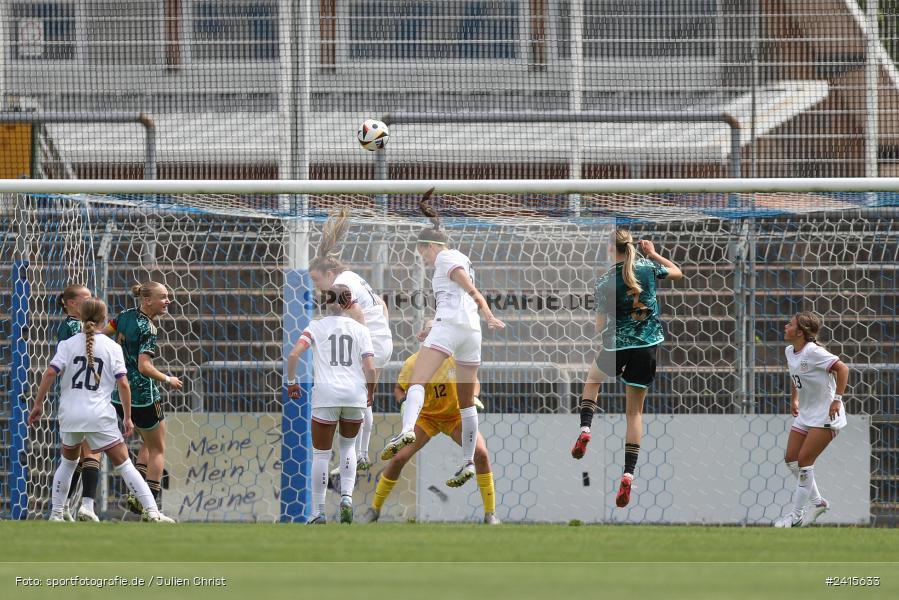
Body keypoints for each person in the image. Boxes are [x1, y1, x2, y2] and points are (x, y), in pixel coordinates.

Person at [380, 188, 505, 488]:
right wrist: (431, 325)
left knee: (418, 382)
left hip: (454, 327)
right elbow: (455, 297)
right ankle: (466, 463)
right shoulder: (458, 256)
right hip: (469, 332)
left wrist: (487, 311)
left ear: (428, 247)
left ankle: (407, 429)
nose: (422, 258)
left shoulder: (445, 258)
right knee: (466, 403)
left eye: (422, 252)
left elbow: (468, 289)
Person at [27, 298, 174, 523]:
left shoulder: (67, 344)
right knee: (125, 465)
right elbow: (123, 384)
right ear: (104, 319)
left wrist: (37, 405)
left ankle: (56, 514)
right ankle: (153, 511)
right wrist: (126, 417)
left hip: (70, 414)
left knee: (68, 463)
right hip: (99, 415)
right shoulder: (112, 347)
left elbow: (49, 374)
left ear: (82, 317)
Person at [571, 228, 683, 509]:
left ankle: (585, 428)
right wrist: (653, 252)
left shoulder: (605, 280)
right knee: (634, 413)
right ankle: (628, 474)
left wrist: (605, 328)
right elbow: (677, 272)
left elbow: (598, 327)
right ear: (632, 246)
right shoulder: (647, 267)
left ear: (612, 249)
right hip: (646, 347)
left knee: (593, 380)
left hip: (617, 345)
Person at [363, 320, 498, 525]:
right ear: (422, 336)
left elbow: (474, 382)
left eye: (440, 330)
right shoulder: (412, 363)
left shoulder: (455, 359)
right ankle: (374, 509)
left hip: (454, 416)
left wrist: (475, 397)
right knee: (399, 458)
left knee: (481, 453)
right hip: (426, 418)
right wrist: (404, 403)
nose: (437, 334)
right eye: (431, 330)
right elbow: (399, 389)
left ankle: (490, 514)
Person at [309, 208, 393, 472]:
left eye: (316, 280)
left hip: (373, 342)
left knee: (358, 396)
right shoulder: (353, 277)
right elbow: (381, 304)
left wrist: (364, 347)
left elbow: (357, 314)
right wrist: (381, 335)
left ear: (328, 273)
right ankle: (361, 454)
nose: (316, 287)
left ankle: (358, 454)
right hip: (382, 339)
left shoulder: (341, 286)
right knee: (363, 396)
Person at [286, 285, 378, 524]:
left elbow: (294, 355)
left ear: (325, 302)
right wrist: (370, 392)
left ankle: (318, 512)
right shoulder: (360, 329)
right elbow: (370, 367)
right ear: (349, 304)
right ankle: (346, 498)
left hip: (326, 395)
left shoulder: (315, 326)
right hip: (354, 395)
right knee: (348, 447)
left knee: (321, 455)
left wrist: (291, 383)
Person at [110, 282, 183, 515]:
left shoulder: (123, 316)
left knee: (146, 442)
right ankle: (149, 505)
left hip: (119, 393)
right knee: (158, 448)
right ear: (147, 300)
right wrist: (168, 379)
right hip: (143, 395)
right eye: (163, 297)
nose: (168, 301)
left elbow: (102, 336)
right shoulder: (149, 329)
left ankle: (136, 494)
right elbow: (144, 366)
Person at [775, 312, 849, 528]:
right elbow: (795, 375)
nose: (785, 326)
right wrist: (795, 399)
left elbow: (842, 368)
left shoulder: (815, 352)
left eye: (790, 324)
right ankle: (818, 502)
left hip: (826, 415)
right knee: (791, 459)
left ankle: (795, 517)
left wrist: (837, 400)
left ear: (800, 332)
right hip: (806, 414)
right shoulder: (790, 351)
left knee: (805, 461)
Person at [55, 284, 103, 521]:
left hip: (78, 397)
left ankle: (64, 507)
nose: (90, 301)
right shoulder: (74, 328)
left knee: (78, 456)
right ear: (71, 303)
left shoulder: (74, 326)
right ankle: (84, 506)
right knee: (89, 453)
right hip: (82, 396)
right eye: (86, 298)